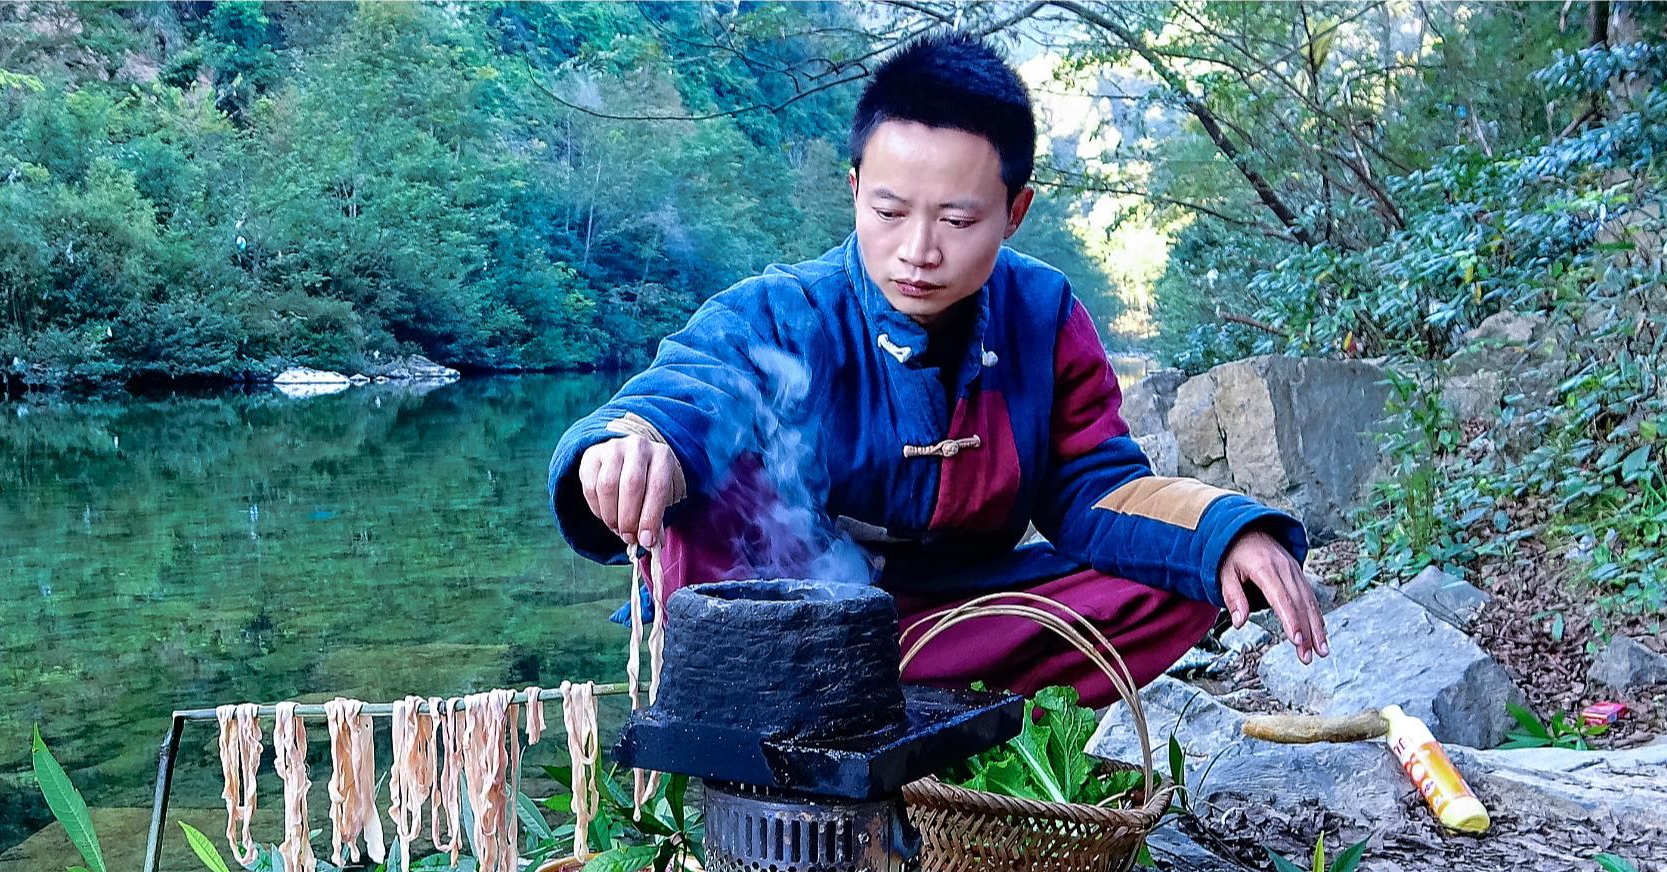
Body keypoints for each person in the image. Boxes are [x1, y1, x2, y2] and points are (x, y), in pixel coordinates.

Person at [545, 31, 1327, 707]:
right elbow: (684, 394)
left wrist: (1226, 533)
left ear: (1014, 212)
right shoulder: (787, 312)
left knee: (1182, 576)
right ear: (854, 192)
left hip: (954, 618)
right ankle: (789, 714)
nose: (918, 250)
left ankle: (940, 715)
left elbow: (1096, 485)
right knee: (700, 505)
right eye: (888, 213)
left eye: (957, 220)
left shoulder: (1044, 315)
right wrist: (628, 444)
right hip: (792, 630)